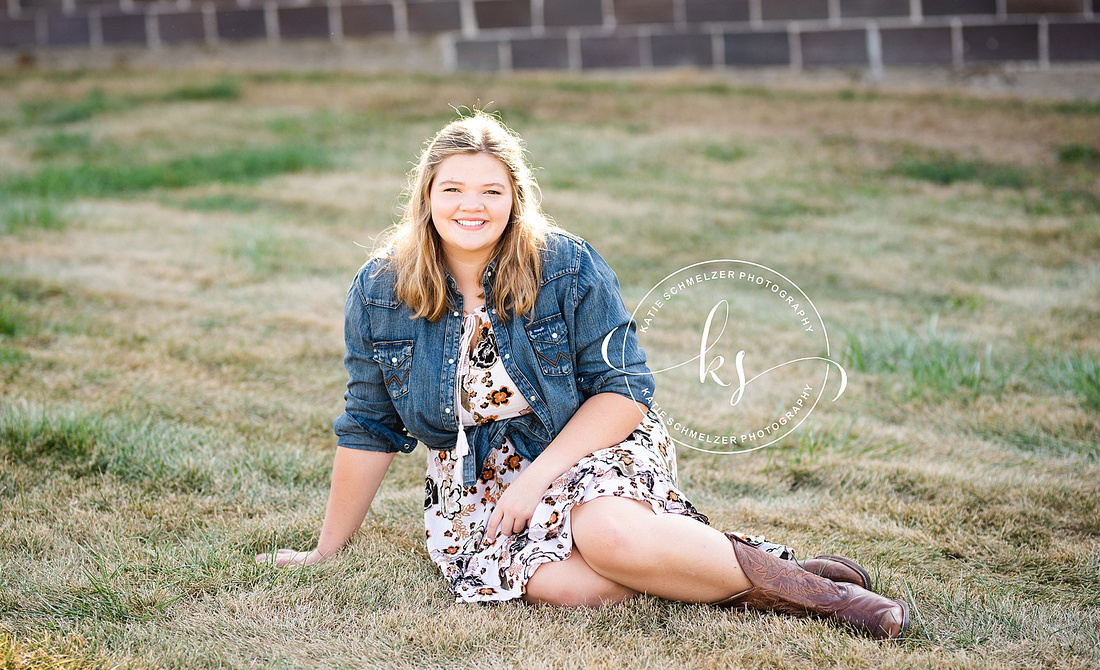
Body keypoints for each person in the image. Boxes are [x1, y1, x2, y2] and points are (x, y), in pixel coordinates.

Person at [256, 112, 909, 640]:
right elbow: (369, 424)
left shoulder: (564, 266)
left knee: (608, 534)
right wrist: (325, 551)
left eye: (491, 190)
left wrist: (537, 480)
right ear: (425, 197)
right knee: (575, 588)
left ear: (516, 197)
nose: (472, 206)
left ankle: (829, 600)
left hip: (593, 441)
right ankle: (760, 571)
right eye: (453, 189)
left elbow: (623, 391)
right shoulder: (381, 289)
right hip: (479, 478)